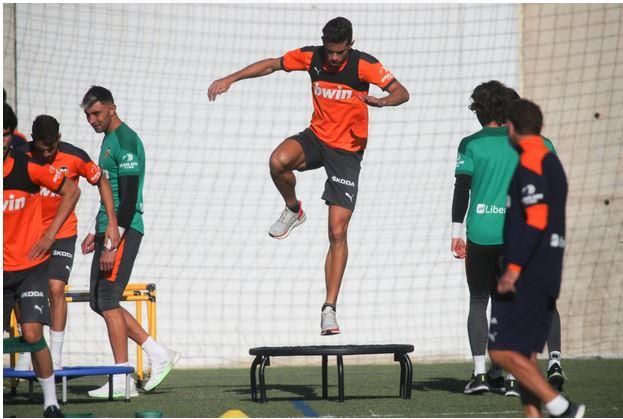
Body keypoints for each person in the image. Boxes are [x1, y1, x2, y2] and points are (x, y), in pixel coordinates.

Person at [208, 17, 409, 335]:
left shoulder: (364, 65)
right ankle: (293, 209)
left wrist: (382, 101)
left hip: (346, 153)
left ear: (350, 46)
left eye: (339, 53)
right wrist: (231, 78)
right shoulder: (311, 56)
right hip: (316, 139)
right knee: (278, 161)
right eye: (329, 51)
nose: (332, 58)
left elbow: (402, 92)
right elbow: (272, 65)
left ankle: (329, 309)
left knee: (337, 232)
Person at [452, 81, 565, 396]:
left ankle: (480, 375)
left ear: (480, 111)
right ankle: (524, 375)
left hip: (483, 233)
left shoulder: (470, 144)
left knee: (479, 300)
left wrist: (455, 233)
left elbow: (462, 189)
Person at [80, 86, 180, 398]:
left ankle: (122, 377)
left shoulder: (125, 141)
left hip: (124, 230)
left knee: (108, 300)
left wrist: (111, 243)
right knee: (99, 301)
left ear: (111, 108)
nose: (92, 120)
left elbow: (129, 197)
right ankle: (157, 352)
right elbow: (109, 196)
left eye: (96, 113)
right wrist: (95, 232)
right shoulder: (108, 142)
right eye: (87, 116)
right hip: (108, 230)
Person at [488, 99, 584, 417]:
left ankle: (563, 408)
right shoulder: (550, 161)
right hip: (547, 271)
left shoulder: (532, 161)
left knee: (501, 350)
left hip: (529, 272)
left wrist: (513, 269)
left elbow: (537, 219)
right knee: (526, 357)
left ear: (511, 128)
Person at [14, 115, 121, 372]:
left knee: (55, 288)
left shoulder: (75, 156)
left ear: (59, 140)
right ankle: (30, 350)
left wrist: (112, 221)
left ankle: (56, 357)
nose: (47, 154)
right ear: (33, 140)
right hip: (28, 235)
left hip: (62, 232)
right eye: (42, 149)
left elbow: (101, 181)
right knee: (23, 292)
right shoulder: (19, 156)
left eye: (52, 148)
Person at [4, 116, 81, 417]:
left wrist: (49, 235)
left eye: (5, 134)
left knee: (34, 333)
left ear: (12, 136)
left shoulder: (29, 167)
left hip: (30, 267)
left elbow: (71, 191)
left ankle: (51, 403)